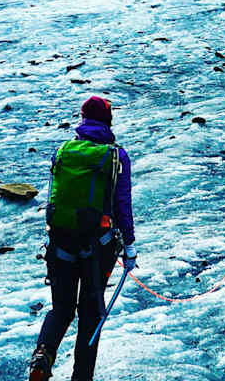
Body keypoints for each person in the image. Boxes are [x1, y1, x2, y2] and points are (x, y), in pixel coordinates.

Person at [30, 96, 137, 381]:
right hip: (97, 247)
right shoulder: (115, 156)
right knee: (91, 315)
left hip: (59, 242)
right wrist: (130, 247)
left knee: (62, 309)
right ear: (107, 120)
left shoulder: (63, 151)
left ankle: (43, 355)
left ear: (82, 119)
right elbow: (122, 205)